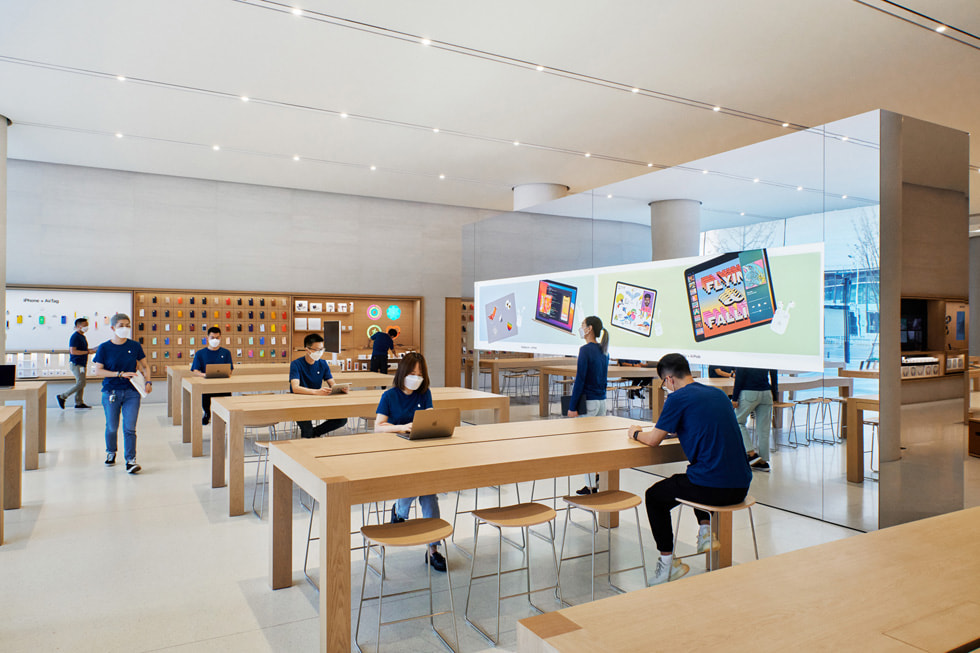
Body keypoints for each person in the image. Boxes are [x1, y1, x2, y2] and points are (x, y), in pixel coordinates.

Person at [627, 353, 751, 585]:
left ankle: (668, 565)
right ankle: (705, 532)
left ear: (669, 379)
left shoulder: (677, 398)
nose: (666, 388)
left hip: (713, 490)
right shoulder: (717, 394)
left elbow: (653, 440)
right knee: (693, 474)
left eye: (664, 384)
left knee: (654, 496)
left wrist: (634, 433)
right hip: (741, 486)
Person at [375, 352, 446, 572]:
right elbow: (378, 426)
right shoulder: (389, 396)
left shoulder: (425, 394)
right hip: (396, 452)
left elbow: (430, 418)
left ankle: (431, 547)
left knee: (428, 491)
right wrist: (402, 427)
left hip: (421, 451)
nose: (416, 378)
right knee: (425, 486)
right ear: (403, 373)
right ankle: (429, 545)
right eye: (412, 373)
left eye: (420, 374)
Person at [93, 313, 152, 474]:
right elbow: (98, 371)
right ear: (113, 328)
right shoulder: (104, 348)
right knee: (112, 427)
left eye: (127, 325)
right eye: (121, 325)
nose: (125, 328)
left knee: (130, 428)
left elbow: (145, 366)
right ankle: (111, 451)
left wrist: (148, 381)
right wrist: (119, 374)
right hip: (111, 391)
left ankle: (130, 460)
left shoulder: (134, 346)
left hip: (132, 392)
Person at [568, 315, 610, 495]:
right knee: (597, 443)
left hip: (589, 402)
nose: (581, 328)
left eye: (583, 325)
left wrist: (572, 406)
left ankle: (591, 485)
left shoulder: (585, 350)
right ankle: (596, 476)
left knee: (586, 445)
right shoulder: (604, 350)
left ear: (590, 328)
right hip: (601, 401)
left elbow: (580, 380)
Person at [289, 333, 349, 438]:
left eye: (322, 349)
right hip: (299, 404)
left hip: (317, 401)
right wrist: (316, 392)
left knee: (341, 419)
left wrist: (340, 389)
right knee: (307, 430)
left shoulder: (323, 363)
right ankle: (310, 435)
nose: (320, 352)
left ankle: (315, 432)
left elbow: (332, 383)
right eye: (317, 350)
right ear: (307, 349)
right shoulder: (296, 364)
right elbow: (295, 388)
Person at [732, 367, 778, 472]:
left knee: (737, 422)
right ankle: (763, 461)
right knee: (764, 429)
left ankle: (751, 454)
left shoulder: (746, 357)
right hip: (766, 393)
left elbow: (740, 376)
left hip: (749, 392)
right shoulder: (768, 356)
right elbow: (774, 374)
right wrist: (774, 396)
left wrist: (734, 398)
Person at [191, 326, 234, 425]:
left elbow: (230, 369)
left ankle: (225, 415)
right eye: (212, 337)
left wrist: (227, 373)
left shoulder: (226, 353)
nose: (215, 340)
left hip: (223, 383)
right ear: (207, 338)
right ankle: (207, 414)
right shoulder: (200, 353)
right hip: (207, 383)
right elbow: (195, 370)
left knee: (226, 398)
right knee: (206, 398)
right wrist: (204, 375)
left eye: (217, 338)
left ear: (220, 338)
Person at [57, 317, 96, 409]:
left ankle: (79, 403)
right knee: (81, 383)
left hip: (82, 364)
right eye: (85, 325)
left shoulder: (82, 337)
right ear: (78, 326)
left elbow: (83, 350)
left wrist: (93, 350)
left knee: (81, 383)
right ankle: (62, 396)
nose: (86, 327)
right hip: (76, 364)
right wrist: (88, 352)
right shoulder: (75, 337)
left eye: (87, 325)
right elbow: (73, 351)